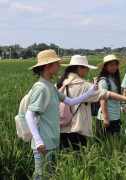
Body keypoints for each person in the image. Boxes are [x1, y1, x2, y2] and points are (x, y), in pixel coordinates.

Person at [25, 50, 98, 180]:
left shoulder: (51, 87)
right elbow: (29, 115)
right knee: (41, 177)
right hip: (43, 144)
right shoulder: (41, 88)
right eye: (57, 63)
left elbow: (70, 101)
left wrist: (89, 93)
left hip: (53, 141)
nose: (59, 66)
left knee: (50, 176)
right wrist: (38, 140)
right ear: (48, 65)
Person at [56, 55, 126, 151]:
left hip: (60, 127)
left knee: (64, 158)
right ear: (79, 68)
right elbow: (105, 94)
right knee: (78, 157)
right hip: (77, 128)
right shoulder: (84, 86)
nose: (87, 71)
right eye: (86, 68)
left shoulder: (59, 83)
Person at [95, 54, 126, 140]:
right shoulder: (103, 80)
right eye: (111, 65)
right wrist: (105, 118)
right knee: (104, 143)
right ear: (105, 67)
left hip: (115, 115)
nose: (114, 67)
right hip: (107, 117)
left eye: (116, 65)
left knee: (115, 142)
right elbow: (102, 99)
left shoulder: (112, 79)